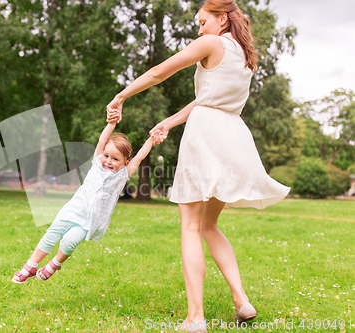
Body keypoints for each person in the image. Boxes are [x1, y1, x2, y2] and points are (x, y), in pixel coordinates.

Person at [106, 0, 290, 331]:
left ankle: (195, 318)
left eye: (202, 21)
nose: (199, 28)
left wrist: (121, 95)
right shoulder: (244, 57)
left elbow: (159, 72)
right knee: (209, 226)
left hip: (206, 135)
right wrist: (170, 122)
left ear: (222, 19)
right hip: (235, 137)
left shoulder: (211, 43)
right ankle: (241, 301)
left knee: (191, 226)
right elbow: (207, 98)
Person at [12, 114, 155, 284]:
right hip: (73, 209)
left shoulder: (123, 174)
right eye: (106, 156)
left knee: (69, 242)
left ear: (125, 162)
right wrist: (111, 124)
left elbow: (139, 157)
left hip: (89, 220)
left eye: (115, 159)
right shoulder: (96, 163)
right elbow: (102, 142)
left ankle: (54, 264)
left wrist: (152, 140)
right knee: (51, 235)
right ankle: (30, 266)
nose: (108, 161)